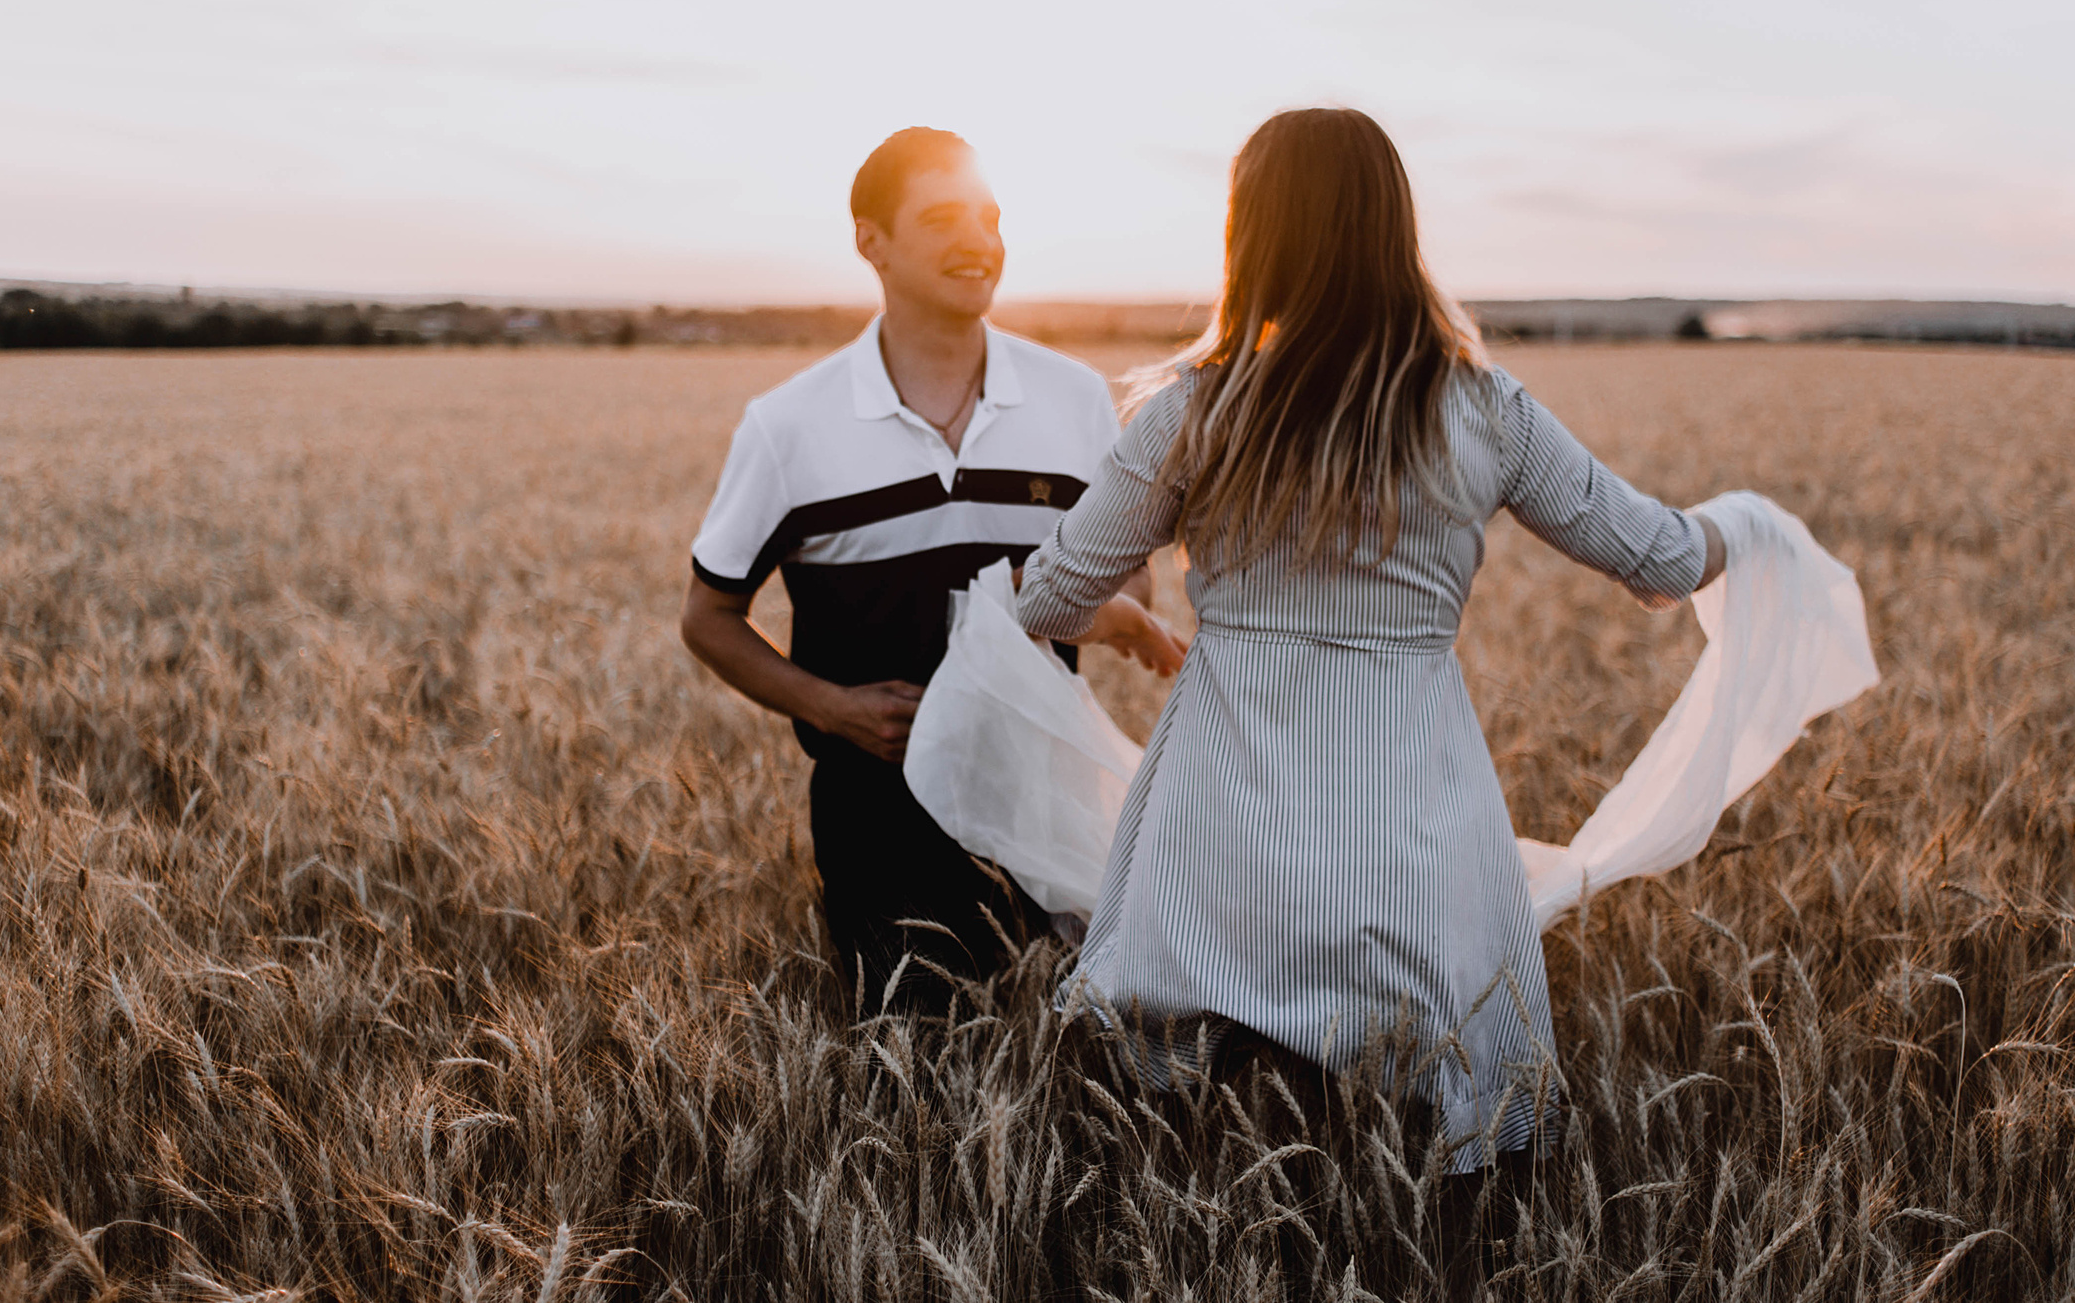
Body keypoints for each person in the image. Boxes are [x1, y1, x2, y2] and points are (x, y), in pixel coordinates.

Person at [1012, 108, 1725, 1203]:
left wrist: (1135, 606)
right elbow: (1663, 558)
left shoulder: (1190, 414)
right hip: (1408, 809)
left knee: (1198, 1151)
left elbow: (1050, 599)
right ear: (1394, 227)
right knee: (1435, 1143)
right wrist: (1750, 530)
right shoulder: (1485, 413)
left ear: (1250, 233)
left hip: (1218, 816)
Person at [681, 126, 1175, 1010]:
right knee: (922, 1043)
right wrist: (831, 708)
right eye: (944, 218)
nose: (979, 240)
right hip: (879, 805)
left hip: (1043, 788)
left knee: (1094, 1037)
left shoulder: (1070, 398)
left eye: (991, 217)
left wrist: (1092, 609)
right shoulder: (790, 425)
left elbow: (1131, 576)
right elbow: (707, 616)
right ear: (870, 241)